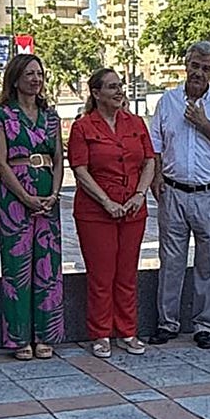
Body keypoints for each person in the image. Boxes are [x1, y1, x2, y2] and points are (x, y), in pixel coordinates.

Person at [148, 41, 210, 350]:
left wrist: (204, 124)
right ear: (185, 65)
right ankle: (167, 323)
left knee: (209, 263)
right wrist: (156, 177)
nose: (199, 72)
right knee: (171, 261)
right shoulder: (168, 101)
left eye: (206, 68)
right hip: (174, 192)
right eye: (195, 66)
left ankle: (204, 325)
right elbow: (155, 145)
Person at [69, 68, 155, 358]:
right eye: (112, 87)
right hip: (96, 213)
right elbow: (80, 169)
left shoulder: (136, 122)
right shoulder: (83, 127)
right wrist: (106, 202)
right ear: (96, 93)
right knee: (101, 275)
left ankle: (128, 330)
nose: (119, 91)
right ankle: (101, 333)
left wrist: (140, 194)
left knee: (127, 273)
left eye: (120, 86)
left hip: (133, 210)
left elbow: (149, 161)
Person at [0, 54, 67, 360]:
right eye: (30, 74)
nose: (36, 79)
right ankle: (19, 338)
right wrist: (24, 196)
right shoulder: (1, 117)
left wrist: (54, 192)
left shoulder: (51, 117)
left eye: (40, 74)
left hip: (47, 194)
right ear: (16, 78)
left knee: (48, 267)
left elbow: (58, 159)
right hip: (14, 197)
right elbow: (0, 162)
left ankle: (45, 335)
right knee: (17, 268)